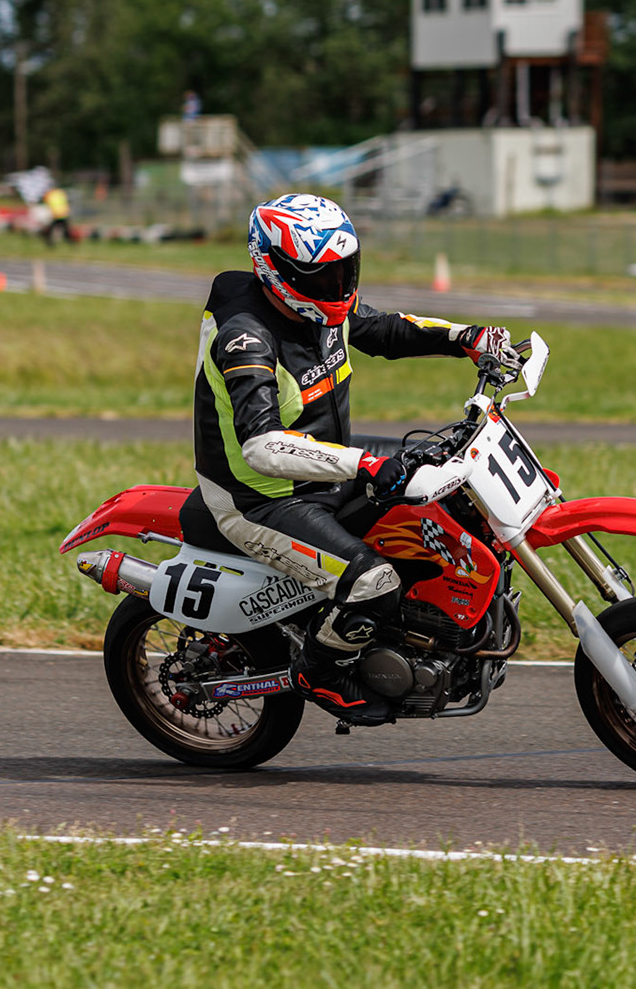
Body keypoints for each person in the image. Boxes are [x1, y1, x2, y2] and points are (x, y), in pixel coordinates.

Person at [184, 193, 521, 724]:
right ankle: (321, 673)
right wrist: (365, 465)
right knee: (372, 583)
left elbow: (381, 329)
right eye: (322, 276)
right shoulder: (245, 340)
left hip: (326, 466)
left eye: (344, 271)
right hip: (261, 498)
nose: (337, 286)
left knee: (451, 479)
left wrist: (465, 338)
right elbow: (262, 446)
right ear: (273, 268)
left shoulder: (317, 307)